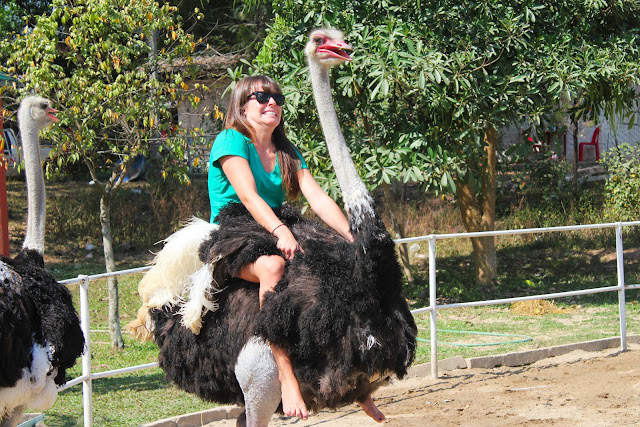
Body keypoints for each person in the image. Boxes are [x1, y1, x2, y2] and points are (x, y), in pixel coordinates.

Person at [207, 75, 385, 422]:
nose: (270, 102)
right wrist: (278, 230)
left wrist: (353, 237)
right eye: (260, 97)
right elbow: (247, 196)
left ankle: (356, 384)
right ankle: (286, 377)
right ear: (242, 105)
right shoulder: (230, 140)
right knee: (272, 266)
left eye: (276, 97)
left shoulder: (286, 151)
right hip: (235, 230)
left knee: (340, 263)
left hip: (278, 223)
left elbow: (316, 197)